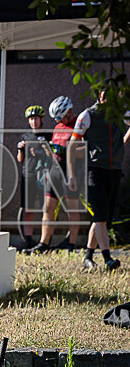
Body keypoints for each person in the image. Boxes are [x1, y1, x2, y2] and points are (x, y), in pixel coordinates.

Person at [72, 82, 125, 271]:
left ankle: (88, 257)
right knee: (101, 216)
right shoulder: (87, 115)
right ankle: (108, 259)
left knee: (103, 218)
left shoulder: (120, 114)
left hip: (115, 170)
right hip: (94, 171)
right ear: (99, 94)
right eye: (106, 93)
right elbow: (73, 144)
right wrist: (71, 173)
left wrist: (121, 147)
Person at [24, 96, 82, 253]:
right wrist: (48, 150)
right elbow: (52, 155)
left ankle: (71, 245)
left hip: (72, 171)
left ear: (69, 112)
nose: (59, 120)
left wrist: (69, 150)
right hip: (55, 171)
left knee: (72, 210)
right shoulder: (57, 127)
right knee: (48, 208)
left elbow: (86, 151)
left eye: (60, 117)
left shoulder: (79, 125)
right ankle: (44, 244)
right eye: (56, 118)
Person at [16, 105, 54, 250]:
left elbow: (52, 157)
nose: (34, 122)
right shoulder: (25, 137)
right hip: (28, 175)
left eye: (36, 119)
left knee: (47, 209)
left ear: (42, 119)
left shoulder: (48, 135)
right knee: (28, 209)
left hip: (44, 177)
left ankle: (45, 241)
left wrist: (45, 147)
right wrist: (20, 149)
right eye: (31, 119)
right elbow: (21, 160)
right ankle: (28, 240)